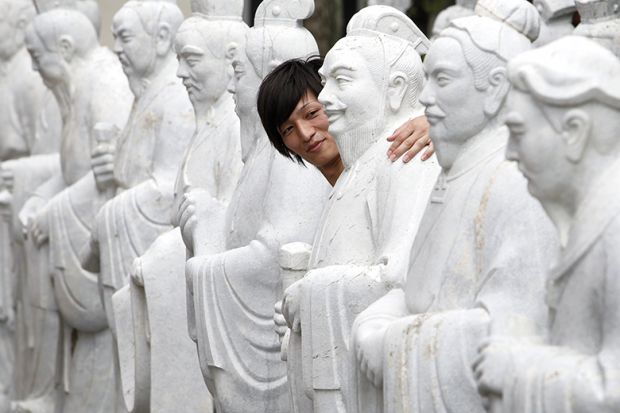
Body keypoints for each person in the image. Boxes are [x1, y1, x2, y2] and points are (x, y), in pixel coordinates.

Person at [473, 36, 620, 413]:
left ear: (574, 132)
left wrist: (519, 367)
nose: (509, 153)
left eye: (519, 133)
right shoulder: (589, 219)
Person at [258, 57, 434, 188]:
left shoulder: (398, 155)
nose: (305, 133)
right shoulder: (325, 197)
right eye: (288, 129)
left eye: (312, 113)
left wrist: (433, 124)